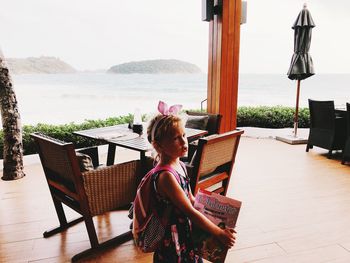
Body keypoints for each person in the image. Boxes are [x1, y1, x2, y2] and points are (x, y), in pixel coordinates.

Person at [146, 101, 236, 263]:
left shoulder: (179, 164)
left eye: (184, 135)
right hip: (172, 239)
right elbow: (190, 211)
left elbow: (193, 201)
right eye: (176, 138)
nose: (183, 142)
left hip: (185, 232)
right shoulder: (166, 176)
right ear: (158, 146)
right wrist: (218, 233)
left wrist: (218, 221)